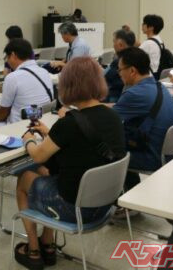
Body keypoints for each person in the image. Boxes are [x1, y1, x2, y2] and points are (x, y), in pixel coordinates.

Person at [13, 57, 125, 270]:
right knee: (48, 173)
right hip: (103, 204)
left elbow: (37, 155)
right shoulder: (113, 116)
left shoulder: (69, 123)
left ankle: (34, 249)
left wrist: (28, 139)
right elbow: (79, 144)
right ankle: (48, 244)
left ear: (68, 85)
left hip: (75, 209)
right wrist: (51, 134)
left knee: (25, 177)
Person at [113, 47, 173, 191]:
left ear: (132, 71)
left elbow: (106, 121)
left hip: (151, 157)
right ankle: (131, 194)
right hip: (169, 153)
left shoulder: (134, 93)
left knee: (103, 150)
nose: (118, 74)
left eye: (120, 70)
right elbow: (119, 107)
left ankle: (118, 200)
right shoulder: (158, 86)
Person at [0, 39, 53, 133]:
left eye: (7, 57)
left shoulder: (13, 77)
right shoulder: (44, 72)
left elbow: (2, 114)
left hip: (19, 127)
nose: (7, 61)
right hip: (42, 123)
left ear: (13, 55)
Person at [104, 29, 136, 102]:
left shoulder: (120, 62)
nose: (113, 45)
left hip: (115, 98)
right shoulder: (137, 57)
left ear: (120, 45)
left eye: (114, 42)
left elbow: (105, 77)